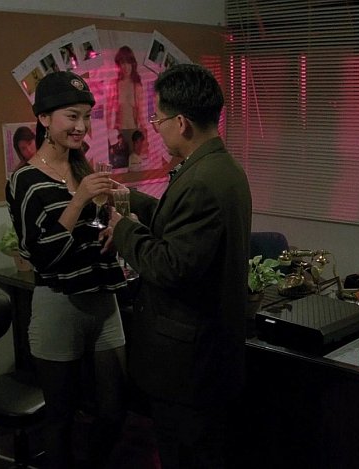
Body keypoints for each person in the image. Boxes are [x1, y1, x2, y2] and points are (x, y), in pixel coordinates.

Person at [106, 63, 252, 468]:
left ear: (182, 122)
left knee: (186, 454)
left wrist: (121, 229)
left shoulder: (202, 180)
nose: (156, 128)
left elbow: (170, 265)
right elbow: (183, 227)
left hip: (189, 364)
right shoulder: (221, 168)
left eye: (159, 120)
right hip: (207, 355)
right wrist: (132, 200)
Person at [5, 71, 128, 468]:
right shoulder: (25, 180)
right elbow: (41, 255)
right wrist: (79, 200)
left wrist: (112, 224)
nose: (81, 126)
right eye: (72, 116)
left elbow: (96, 229)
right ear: (44, 119)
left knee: (113, 410)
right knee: (59, 417)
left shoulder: (84, 167)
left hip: (103, 300)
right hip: (58, 304)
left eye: (86, 117)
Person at [107, 45, 147, 158]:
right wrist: (108, 134)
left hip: (134, 133)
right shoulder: (114, 85)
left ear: (133, 64)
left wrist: (145, 133)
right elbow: (109, 112)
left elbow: (141, 114)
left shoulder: (137, 86)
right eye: (122, 63)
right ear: (118, 65)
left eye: (128, 63)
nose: (126, 67)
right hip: (119, 133)